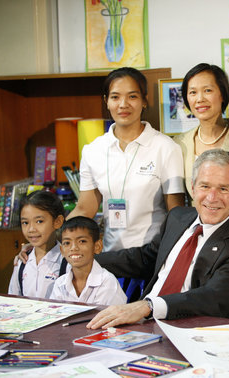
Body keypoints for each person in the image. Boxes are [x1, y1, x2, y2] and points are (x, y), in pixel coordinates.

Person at [86, 149, 229, 328]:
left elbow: (214, 298)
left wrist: (149, 306)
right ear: (193, 188)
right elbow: (145, 258)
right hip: (140, 323)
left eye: (223, 189)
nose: (212, 198)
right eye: (205, 186)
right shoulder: (177, 218)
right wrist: (88, 261)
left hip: (188, 333)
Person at [69, 67, 185, 252]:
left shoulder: (166, 147)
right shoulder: (93, 150)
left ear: (144, 101)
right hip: (110, 256)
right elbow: (85, 209)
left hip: (152, 256)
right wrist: (46, 241)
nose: (123, 104)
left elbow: (176, 213)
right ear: (106, 101)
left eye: (132, 96)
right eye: (115, 97)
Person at [174, 63, 229, 202]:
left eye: (208, 90)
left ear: (222, 94)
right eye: (193, 92)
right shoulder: (179, 143)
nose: (200, 99)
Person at [50, 216, 127, 305]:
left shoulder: (107, 282)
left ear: (97, 246)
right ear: (62, 250)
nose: (73, 248)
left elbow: (112, 317)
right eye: (67, 243)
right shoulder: (60, 283)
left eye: (82, 241)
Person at [8, 191, 66, 299]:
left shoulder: (67, 262)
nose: (31, 229)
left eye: (39, 221)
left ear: (57, 221)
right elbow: (13, 299)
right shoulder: (22, 261)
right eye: (25, 223)